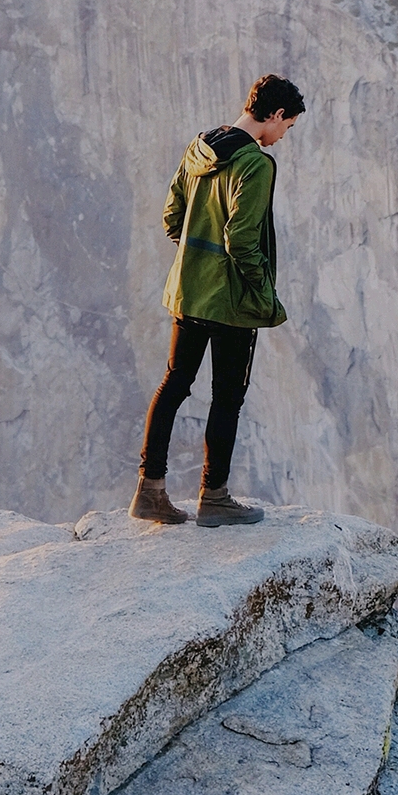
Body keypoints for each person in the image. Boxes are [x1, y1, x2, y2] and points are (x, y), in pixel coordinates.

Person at [129, 73, 305, 527]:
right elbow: (243, 239)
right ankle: (215, 497)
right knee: (227, 396)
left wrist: (195, 254)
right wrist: (264, 295)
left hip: (188, 292)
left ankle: (150, 491)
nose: (282, 137)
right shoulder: (256, 165)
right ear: (277, 114)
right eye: (287, 127)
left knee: (174, 383)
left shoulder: (200, 146)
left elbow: (172, 216)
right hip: (231, 303)